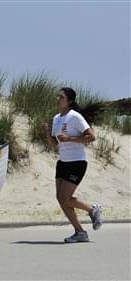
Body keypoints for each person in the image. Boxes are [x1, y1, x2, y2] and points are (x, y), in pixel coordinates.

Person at [43, 87, 103, 243]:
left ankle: (92, 209)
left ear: (69, 101)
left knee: (64, 197)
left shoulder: (75, 117)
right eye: (57, 96)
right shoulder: (56, 118)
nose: (57, 99)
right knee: (60, 198)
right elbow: (55, 145)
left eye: (61, 97)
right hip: (62, 162)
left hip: (77, 163)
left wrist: (70, 138)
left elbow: (91, 137)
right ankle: (80, 232)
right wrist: (48, 132)